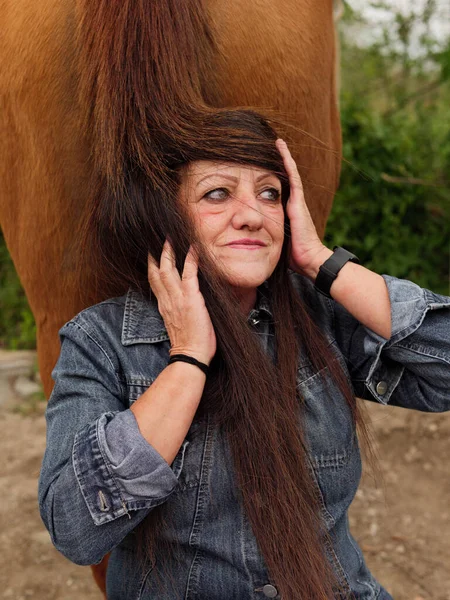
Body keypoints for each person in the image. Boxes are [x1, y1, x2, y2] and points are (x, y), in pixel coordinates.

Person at [38, 110, 450, 600]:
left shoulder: (318, 315)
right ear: (166, 212)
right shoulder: (99, 341)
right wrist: (188, 359)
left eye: (270, 193)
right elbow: (75, 527)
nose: (253, 214)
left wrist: (319, 260)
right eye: (217, 193)